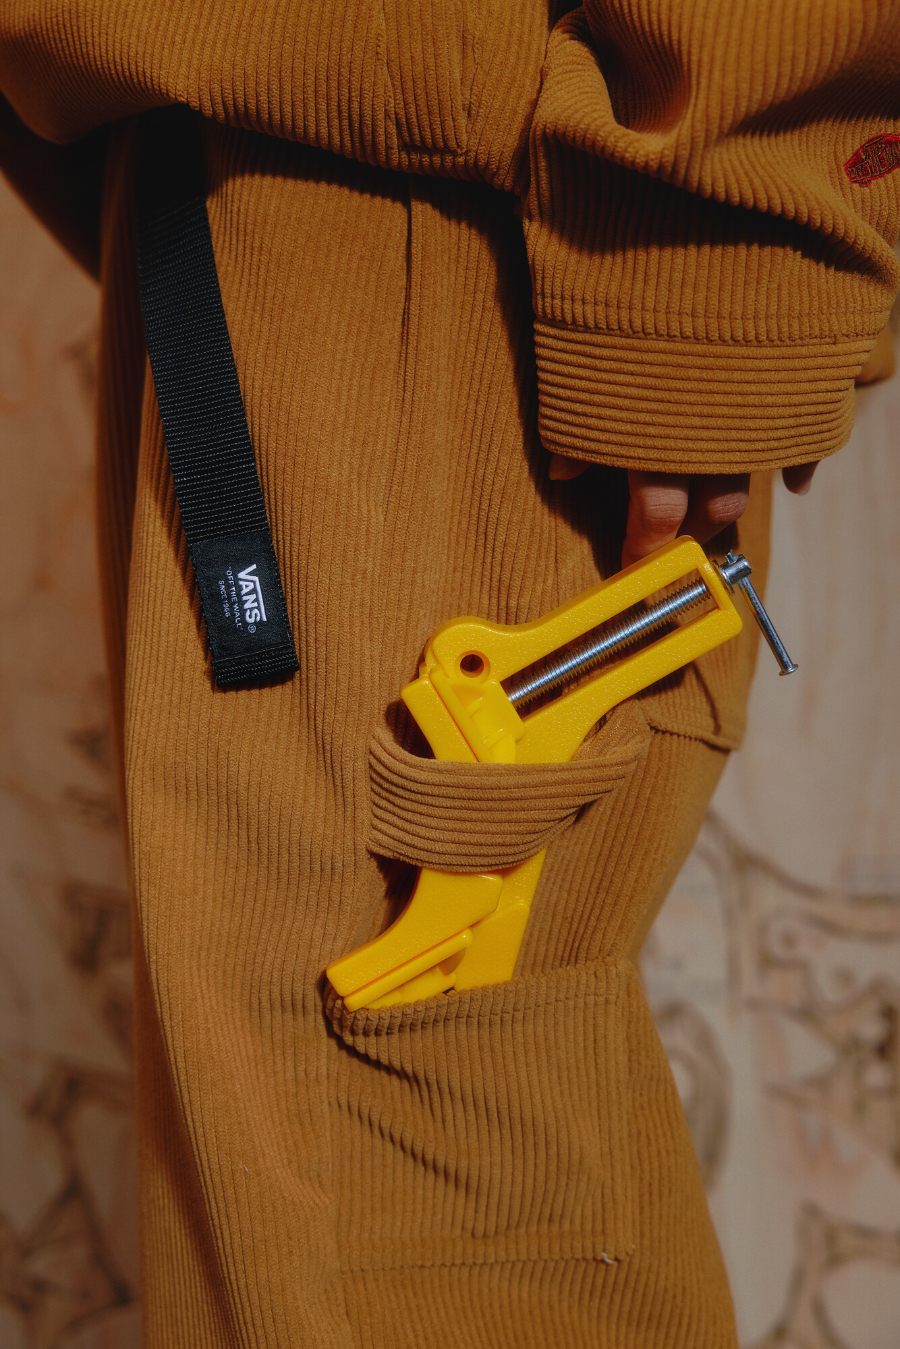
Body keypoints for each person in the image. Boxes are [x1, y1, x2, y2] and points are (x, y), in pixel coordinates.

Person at [1, 4, 898, 1345]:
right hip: (262, 150)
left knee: (397, 1220)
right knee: (286, 1217)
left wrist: (716, 218)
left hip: (467, 220)